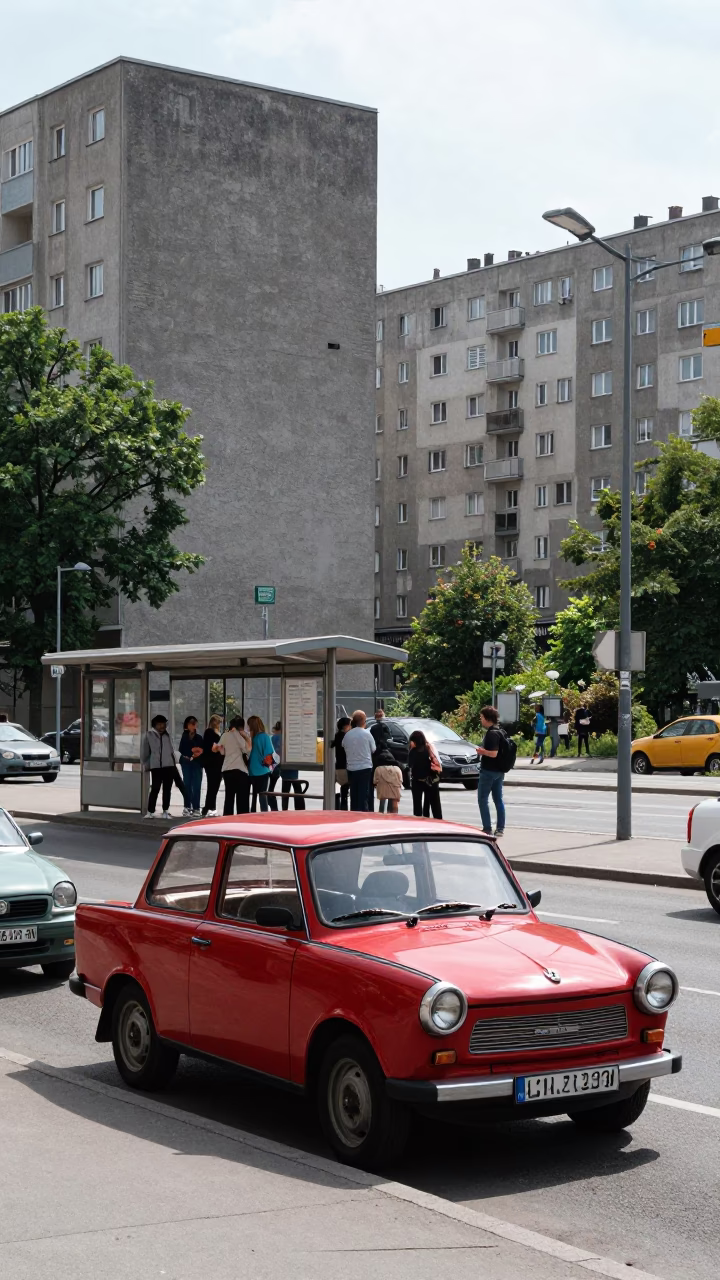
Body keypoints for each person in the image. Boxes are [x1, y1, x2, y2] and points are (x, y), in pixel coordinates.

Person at [141, 715, 186, 819]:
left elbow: (171, 750)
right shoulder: (149, 735)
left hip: (169, 766)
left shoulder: (167, 736)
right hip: (156, 767)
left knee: (167, 789)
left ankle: (165, 810)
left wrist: (173, 762)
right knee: (155, 788)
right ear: (155, 725)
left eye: (164, 724)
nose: (162, 726)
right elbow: (145, 753)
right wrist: (147, 765)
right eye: (160, 724)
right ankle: (150, 811)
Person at [475, 705, 506, 837]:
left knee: (483, 799)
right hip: (499, 771)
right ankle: (500, 828)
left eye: (482, 717)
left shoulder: (492, 734)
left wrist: (482, 752)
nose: (481, 720)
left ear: (488, 719)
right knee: (498, 799)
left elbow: (493, 754)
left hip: (488, 771)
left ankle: (487, 828)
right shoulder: (501, 731)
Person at [267, 720, 305, 811]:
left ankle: (282, 809)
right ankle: (300, 809)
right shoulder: (291, 738)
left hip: (278, 766)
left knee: (283, 790)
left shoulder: (273, 738)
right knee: (297, 789)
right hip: (293, 765)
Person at [216, 716, 251, 814]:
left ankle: (227, 819)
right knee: (242, 799)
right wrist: (247, 738)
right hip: (240, 770)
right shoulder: (242, 735)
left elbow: (222, 752)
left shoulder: (225, 735)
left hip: (227, 770)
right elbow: (248, 749)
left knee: (229, 798)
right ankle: (241, 821)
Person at [343, 710, 376, 811]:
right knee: (363, 795)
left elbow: (343, 746)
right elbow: (373, 749)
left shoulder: (347, 735)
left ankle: (354, 813)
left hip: (351, 768)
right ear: (363, 721)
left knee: (354, 794)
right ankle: (362, 816)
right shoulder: (367, 734)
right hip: (365, 768)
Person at [408, 729, 443, 819]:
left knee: (417, 806)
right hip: (431, 780)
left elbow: (410, 765)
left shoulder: (413, 752)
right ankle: (438, 822)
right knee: (435, 806)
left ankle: (420, 822)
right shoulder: (429, 749)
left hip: (417, 781)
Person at [247, 714, 275, 812]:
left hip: (252, 770)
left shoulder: (253, 738)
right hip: (263, 770)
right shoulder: (265, 737)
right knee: (263, 795)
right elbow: (268, 755)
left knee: (254, 795)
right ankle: (264, 814)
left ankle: (253, 812)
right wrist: (272, 768)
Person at [178, 715, 204, 815]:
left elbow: (202, 750)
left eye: (195, 723)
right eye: (191, 723)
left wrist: (197, 753)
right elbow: (181, 750)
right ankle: (187, 806)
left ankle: (196, 807)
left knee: (196, 785)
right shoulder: (184, 736)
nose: (194, 725)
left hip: (197, 764)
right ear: (187, 725)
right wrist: (188, 754)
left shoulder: (199, 737)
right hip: (186, 763)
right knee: (187, 785)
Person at [201, 714, 223, 816]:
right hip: (212, 762)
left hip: (216, 762)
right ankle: (207, 807)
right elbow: (210, 746)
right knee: (213, 785)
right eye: (218, 722)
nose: (219, 725)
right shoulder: (209, 732)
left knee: (214, 785)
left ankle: (211, 806)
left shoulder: (213, 732)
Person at [374, 747, 404, 814]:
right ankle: (391, 814)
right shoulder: (396, 768)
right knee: (393, 801)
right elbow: (401, 779)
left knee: (382, 800)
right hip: (394, 787)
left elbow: (375, 781)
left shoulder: (378, 768)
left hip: (382, 787)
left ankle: (381, 813)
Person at [332, 715, 351, 809]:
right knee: (344, 791)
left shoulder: (336, 735)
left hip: (338, 765)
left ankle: (338, 807)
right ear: (345, 726)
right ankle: (344, 809)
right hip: (344, 766)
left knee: (341, 791)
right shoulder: (346, 737)